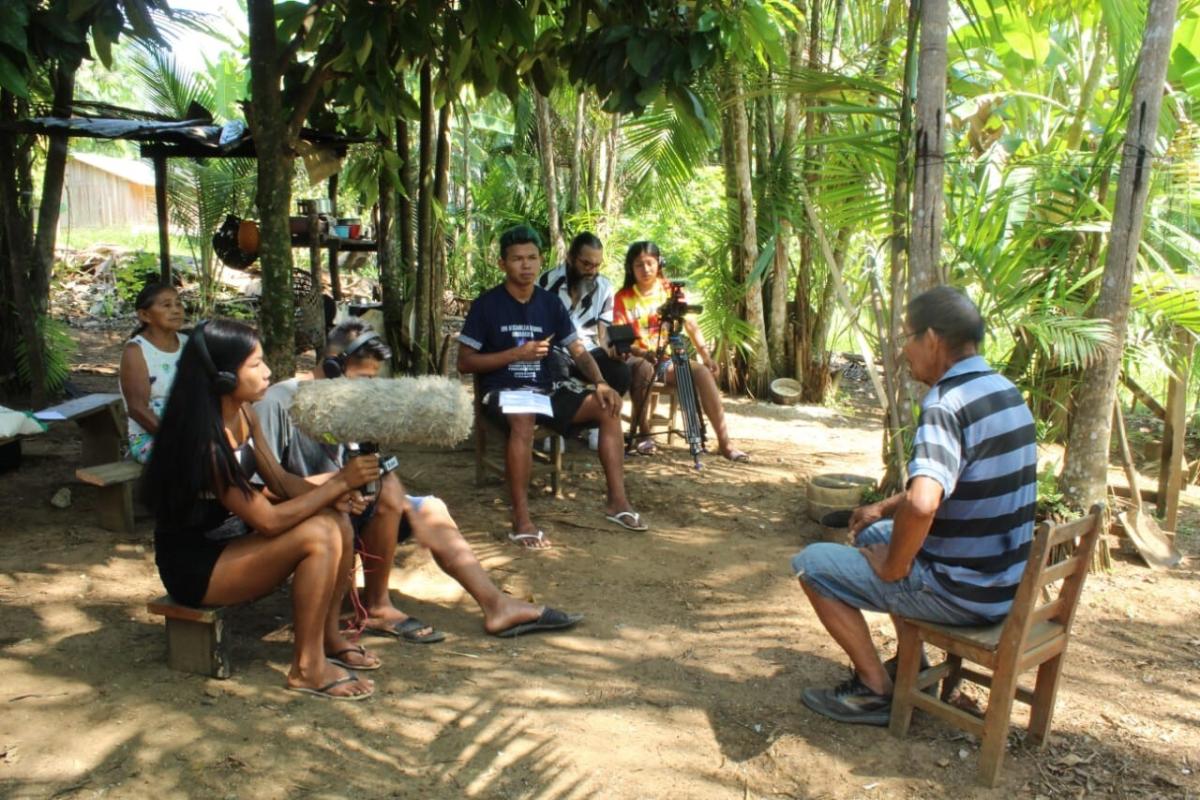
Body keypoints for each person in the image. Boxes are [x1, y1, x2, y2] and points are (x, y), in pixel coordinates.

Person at [791, 286, 1037, 726]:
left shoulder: (945, 404)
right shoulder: (1004, 392)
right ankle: (911, 662)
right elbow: (957, 482)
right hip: (1003, 583)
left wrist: (891, 567)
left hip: (958, 591)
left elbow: (924, 505)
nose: (904, 350)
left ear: (933, 339)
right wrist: (884, 507)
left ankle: (874, 691)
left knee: (811, 565)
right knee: (872, 531)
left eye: (908, 337)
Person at [254, 319, 583, 638]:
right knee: (386, 491)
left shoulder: (349, 403)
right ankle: (377, 606)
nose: (368, 390)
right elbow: (262, 488)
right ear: (333, 367)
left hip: (353, 504)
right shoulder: (281, 402)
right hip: (309, 513)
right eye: (363, 378)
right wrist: (335, 485)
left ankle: (497, 606)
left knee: (429, 507)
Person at [141, 319, 381, 701]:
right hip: (197, 568)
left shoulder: (244, 413)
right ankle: (306, 667)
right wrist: (338, 483)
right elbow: (267, 521)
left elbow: (281, 481)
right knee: (319, 534)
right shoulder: (204, 444)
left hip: (234, 545)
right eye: (254, 364)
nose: (267, 372)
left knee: (336, 518)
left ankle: (329, 636)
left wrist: (335, 496)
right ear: (221, 376)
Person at [457, 224, 648, 549]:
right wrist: (515, 354)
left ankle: (617, 502)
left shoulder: (549, 304)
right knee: (523, 417)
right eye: (517, 259)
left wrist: (600, 382)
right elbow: (465, 362)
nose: (526, 265)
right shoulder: (487, 305)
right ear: (503, 264)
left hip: (548, 388)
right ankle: (521, 519)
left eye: (532, 258)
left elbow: (577, 349)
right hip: (505, 390)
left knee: (608, 406)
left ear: (540, 260)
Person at [612, 241, 749, 461]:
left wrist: (706, 357)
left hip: (668, 360)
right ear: (631, 268)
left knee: (702, 373)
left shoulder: (671, 291)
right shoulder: (623, 297)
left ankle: (725, 443)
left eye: (650, 263)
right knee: (643, 368)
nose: (646, 269)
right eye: (639, 264)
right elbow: (622, 339)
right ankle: (644, 434)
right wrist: (642, 352)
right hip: (639, 358)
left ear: (659, 263)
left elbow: (691, 325)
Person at [536, 232, 634, 398]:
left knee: (621, 373)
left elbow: (603, 334)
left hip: (588, 349)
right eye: (586, 264)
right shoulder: (546, 283)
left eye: (597, 265)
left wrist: (612, 349)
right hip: (556, 349)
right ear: (570, 258)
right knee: (557, 380)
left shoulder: (604, 287)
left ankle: (600, 419)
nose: (592, 271)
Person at [119, 283, 187, 464]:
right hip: (151, 437)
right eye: (166, 305)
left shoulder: (189, 344)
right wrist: (178, 439)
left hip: (190, 430)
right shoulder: (136, 351)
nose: (176, 310)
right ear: (145, 315)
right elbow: (137, 409)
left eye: (178, 304)